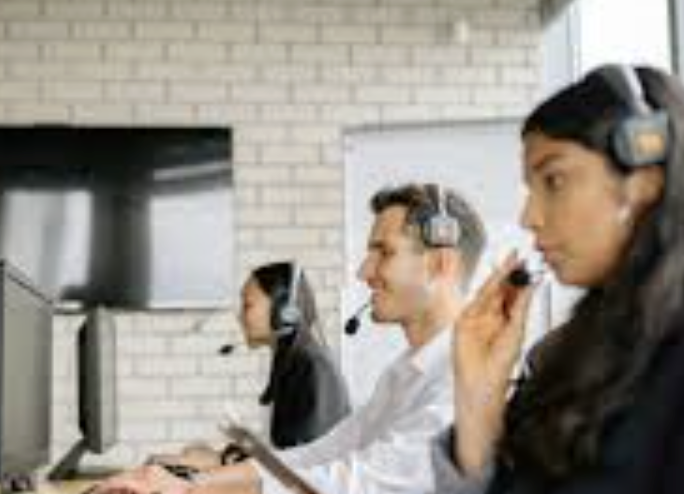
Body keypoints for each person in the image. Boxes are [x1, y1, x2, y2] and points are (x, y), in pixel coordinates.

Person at [94, 182, 487, 494]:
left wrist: (193, 486)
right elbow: (321, 454)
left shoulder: (465, 383)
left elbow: (353, 484)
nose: (364, 272)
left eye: (383, 252)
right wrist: (192, 483)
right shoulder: (405, 373)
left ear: (441, 263)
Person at [432, 63, 684, 494]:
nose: (528, 217)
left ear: (644, 177)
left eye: (554, 180)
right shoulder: (566, 358)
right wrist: (478, 401)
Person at [154, 262, 351, 470]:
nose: (240, 316)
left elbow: (298, 465)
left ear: (284, 312)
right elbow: (279, 450)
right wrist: (225, 455)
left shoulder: (311, 367)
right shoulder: (294, 363)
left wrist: (219, 462)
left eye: (248, 305)